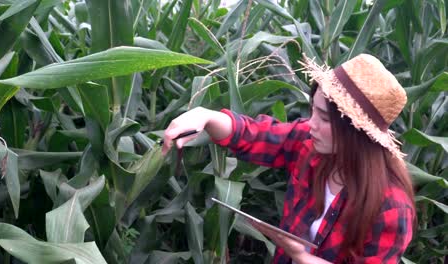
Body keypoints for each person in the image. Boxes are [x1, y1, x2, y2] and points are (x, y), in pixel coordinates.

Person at [162, 54, 416, 263]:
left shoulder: (391, 207)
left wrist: (302, 258)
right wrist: (206, 117)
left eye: (324, 119)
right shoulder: (310, 143)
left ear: (356, 133)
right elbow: (253, 135)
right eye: (312, 111)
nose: (311, 124)